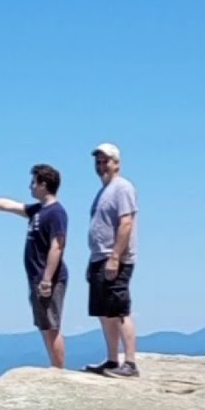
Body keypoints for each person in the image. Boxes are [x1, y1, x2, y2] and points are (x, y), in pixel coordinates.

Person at [0, 164, 69, 368]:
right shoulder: (38, 210)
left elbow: (58, 246)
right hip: (37, 277)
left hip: (48, 279)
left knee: (51, 326)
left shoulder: (56, 212)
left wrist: (47, 279)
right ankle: (55, 368)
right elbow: (8, 205)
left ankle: (59, 371)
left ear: (43, 185)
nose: (30, 187)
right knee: (45, 325)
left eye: (33, 182)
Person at [82, 142, 140, 378]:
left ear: (117, 163)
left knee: (119, 309)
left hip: (116, 258)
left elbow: (126, 223)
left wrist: (115, 256)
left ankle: (130, 363)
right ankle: (112, 359)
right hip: (100, 257)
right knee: (104, 312)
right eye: (98, 162)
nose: (101, 166)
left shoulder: (122, 188)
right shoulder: (104, 191)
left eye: (105, 161)